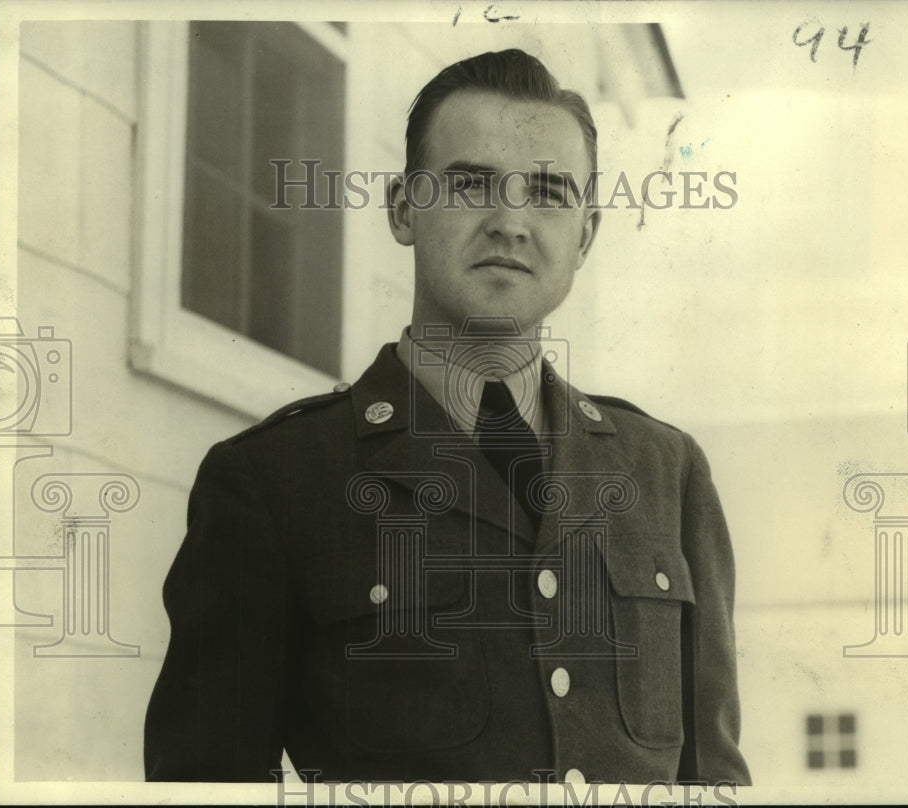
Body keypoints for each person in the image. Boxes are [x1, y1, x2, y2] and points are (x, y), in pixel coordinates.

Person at [144, 48, 751, 786]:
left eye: (550, 192)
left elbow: (714, 783)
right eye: (471, 185)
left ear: (586, 236)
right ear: (404, 209)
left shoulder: (666, 472)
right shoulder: (274, 480)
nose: (511, 223)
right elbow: (203, 788)